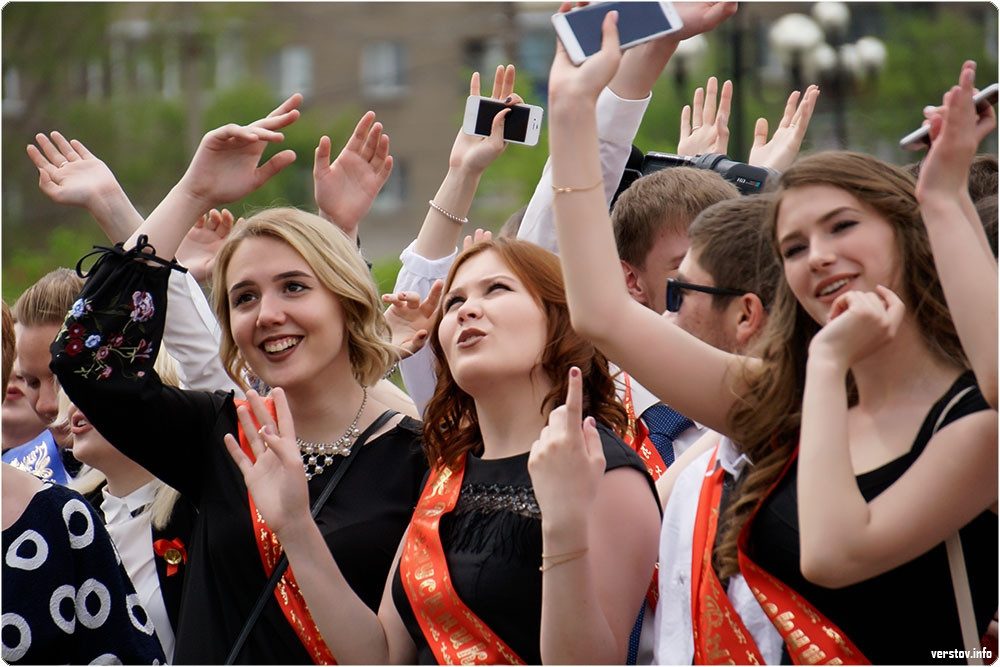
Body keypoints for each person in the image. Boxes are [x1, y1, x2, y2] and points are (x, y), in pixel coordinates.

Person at [547, 17, 996, 664]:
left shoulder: (973, 419)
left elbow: (833, 552)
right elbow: (600, 313)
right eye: (793, 246)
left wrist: (944, 197)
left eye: (842, 226)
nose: (818, 256)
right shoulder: (788, 396)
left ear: (905, 232)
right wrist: (571, 111)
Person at [50, 95, 428, 663]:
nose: (268, 314)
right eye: (244, 298)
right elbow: (87, 359)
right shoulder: (219, 433)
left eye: (294, 287)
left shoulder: (421, 458)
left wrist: (296, 526)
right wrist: (191, 194)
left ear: (347, 301)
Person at [227, 236, 660, 665]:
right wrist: (296, 527)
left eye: (497, 289)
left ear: (559, 317)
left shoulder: (603, 471)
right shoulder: (447, 475)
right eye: (453, 303)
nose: (467, 309)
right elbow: (379, 658)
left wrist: (563, 524)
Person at [2, 300, 166, 665]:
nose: (49, 403)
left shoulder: (58, 516)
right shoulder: (69, 495)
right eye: (30, 381)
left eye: (66, 378)